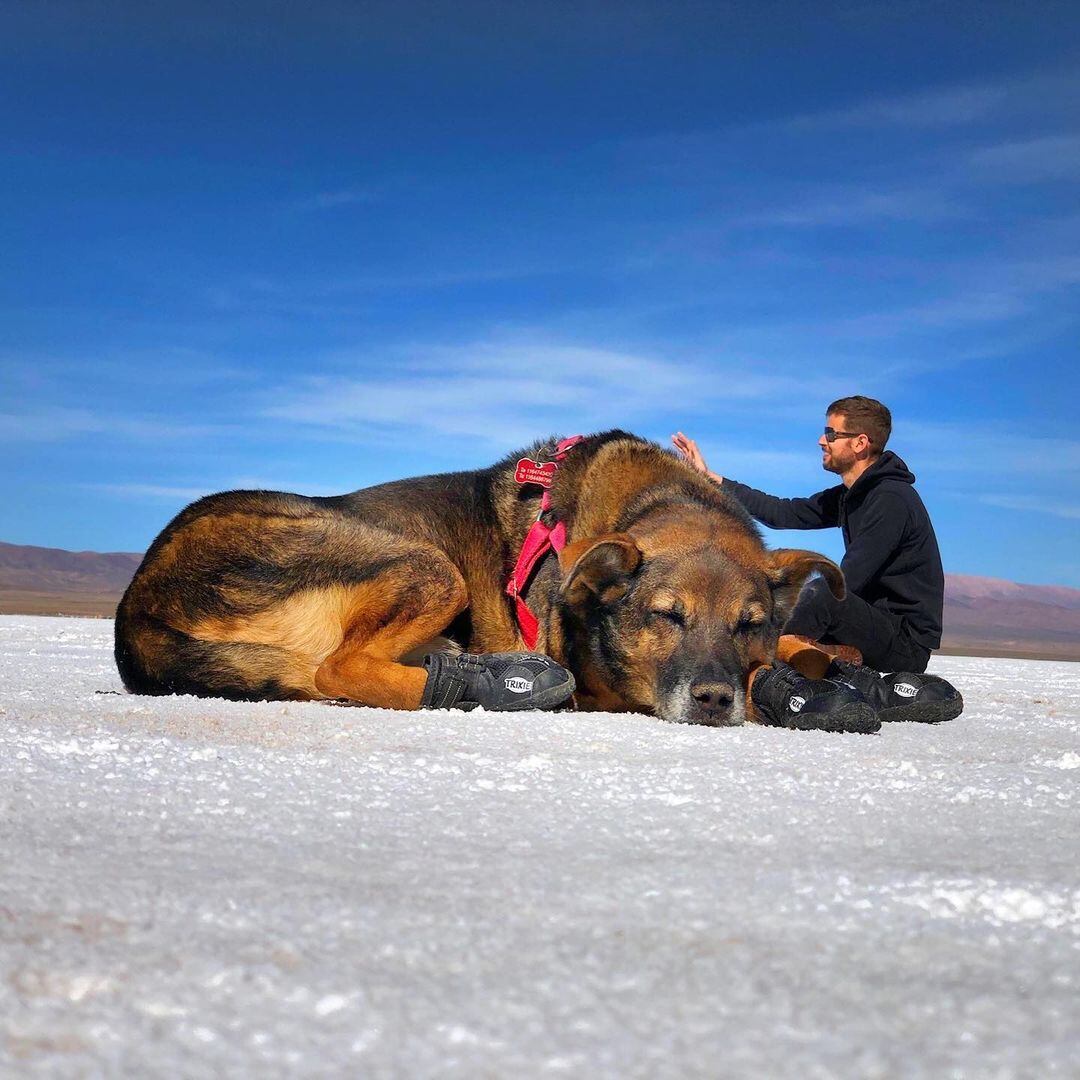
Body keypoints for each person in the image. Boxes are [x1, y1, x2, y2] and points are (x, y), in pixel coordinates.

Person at [673, 395, 962, 730]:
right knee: (817, 594)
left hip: (902, 642)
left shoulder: (891, 500)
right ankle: (772, 660)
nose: (821, 440)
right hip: (869, 626)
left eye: (831, 433)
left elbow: (846, 582)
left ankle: (757, 667)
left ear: (860, 443)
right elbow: (783, 512)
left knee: (822, 593)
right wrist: (711, 478)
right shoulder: (851, 496)